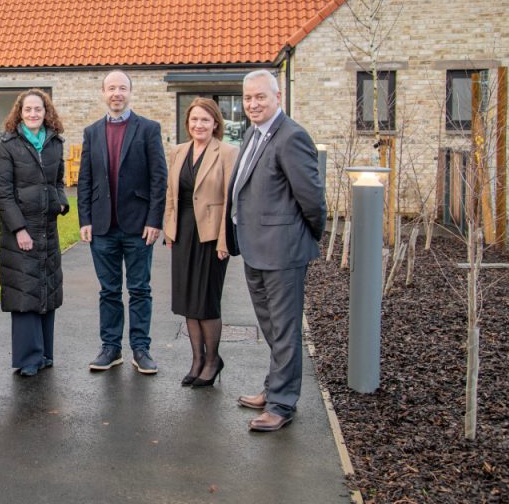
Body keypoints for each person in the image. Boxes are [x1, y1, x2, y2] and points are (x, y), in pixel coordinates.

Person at [225, 70, 326, 432]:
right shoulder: (253, 132)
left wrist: (309, 234)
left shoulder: (292, 137)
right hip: (255, 249)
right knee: (270, 326)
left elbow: (312, 198)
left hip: (283, 252)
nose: (252, 104)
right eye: (248, 98)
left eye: (260, 97)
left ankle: (282, 404)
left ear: (278, 97)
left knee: (284, 329)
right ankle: (273, 387)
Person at [77, 70, 168, 374]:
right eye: (111, 88)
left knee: (140, 289)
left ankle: (140, 349)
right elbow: (86, 178)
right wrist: (85, 219)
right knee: (109, 291)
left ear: (130, 92)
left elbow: (159, 178)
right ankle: (110, 348)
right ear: (103, 93)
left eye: (122, 88)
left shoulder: (148, 129)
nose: (117, 93)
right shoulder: (92, 132)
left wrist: (155, 219)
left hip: (139, 226)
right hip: (103, 227)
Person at [0, 89, 69, 377]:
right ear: (20, 113)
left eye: (38, 109)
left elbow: (58, 181)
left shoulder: (55, 143)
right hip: (20, 232)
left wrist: (60, 202)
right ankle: (28, 358)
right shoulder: (9, 145)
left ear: (46, 111)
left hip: (48, 229)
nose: (34, 114)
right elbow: (2, 193)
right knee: (25, 292)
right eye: (28, 110)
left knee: (46, 289)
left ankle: (45, 354)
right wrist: (19, 229)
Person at [163, 98, 237, 387]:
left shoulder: (228, 153)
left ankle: (213, 359)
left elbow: (231, 201)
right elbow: (172, 194)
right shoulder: (179, 151)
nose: (199, 125)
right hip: (183, 233)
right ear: (187, 123)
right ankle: (196, 359)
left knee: (206, 301)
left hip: (210, 236)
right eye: (194, 120)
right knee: (187, 301)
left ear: (215, 123)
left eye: (205, 120)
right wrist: (170, 229)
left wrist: (224, 240)